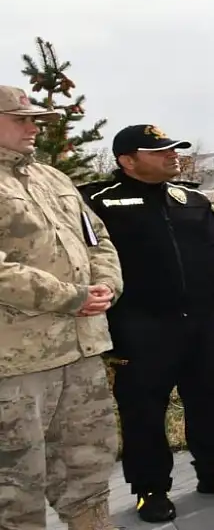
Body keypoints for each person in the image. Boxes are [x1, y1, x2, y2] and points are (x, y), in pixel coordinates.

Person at [79, 125, 214, 522]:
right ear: (127, 160)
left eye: (174, 149)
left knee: (212, 399)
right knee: (143, 410)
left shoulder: (191, 198)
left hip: (200, 321)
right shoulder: (96, 201)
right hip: (139, 325)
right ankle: (150, 488)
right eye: (158, 152)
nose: (173, 156)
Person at [0, 85, 123, 530]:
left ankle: (92, 522)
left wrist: (106, 284)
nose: (34, 127)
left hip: (82, 347)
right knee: (15, 471)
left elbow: (98, 239)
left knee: (88, 453)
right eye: (21, 118)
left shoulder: (54, 178)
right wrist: (68, 296)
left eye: (36, 119)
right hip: (18, 360)